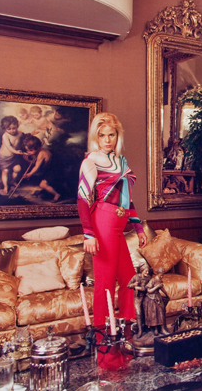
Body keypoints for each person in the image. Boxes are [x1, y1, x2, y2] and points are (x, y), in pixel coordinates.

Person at [77, 112, 147, 327]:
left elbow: (127, 200)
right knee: (105, 282)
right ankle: (101, 332)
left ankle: (127, 327)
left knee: (129, 279)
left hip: (119, 223)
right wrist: (88, 234)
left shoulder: (120, 161)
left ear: (118, 136)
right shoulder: (91, 161)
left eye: (111, 135)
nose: (107, 140)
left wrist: (138, 228)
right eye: (102, 135)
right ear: (95, 137)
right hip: (103, 223)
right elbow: (82, 199)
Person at [21, 134, 61, 202]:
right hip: (50, 169)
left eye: (30, 150)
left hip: (53, 170)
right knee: (41, 182)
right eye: (27, 150)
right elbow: (36, 163)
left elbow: (37, 167)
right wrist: (27, 160)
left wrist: (29, 174)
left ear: (37, 147)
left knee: (42, 185)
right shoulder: (41, 150)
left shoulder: (41, 154)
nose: (28, 152)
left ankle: (57, 195)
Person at [0, 115, 25, 195]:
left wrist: (31, 134)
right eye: (9, 129)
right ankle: (6, 186)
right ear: (4, 128)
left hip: (13, 157)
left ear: (17, 126)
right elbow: (9, 147)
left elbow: (25, 137)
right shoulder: (5, 136)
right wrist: (17, 152)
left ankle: (12, 181)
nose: (12, 131)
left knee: (17, 169)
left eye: (14, 128)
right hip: (4, 157)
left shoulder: (20, 133)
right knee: (5, 171)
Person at [143, 267, 170, 336]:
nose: (162, 277)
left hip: (157, 297)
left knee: (161, 312)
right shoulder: (153, 280)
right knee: (154, 314)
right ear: (157, 274)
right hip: (151, 298)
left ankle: (162, 329)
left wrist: (167, 294)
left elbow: (162, 288)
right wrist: (157, 287)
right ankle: (155, 329)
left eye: (162, 275)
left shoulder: (160, 280)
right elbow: (149, 290)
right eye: (160, 275)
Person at [127, 265, 151, 338]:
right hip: (138, 298)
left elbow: (148, 288)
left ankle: (146, 328)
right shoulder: (136, 277)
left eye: (148, 271)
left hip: (146, 298)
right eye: (145, 271)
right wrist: (133, 285)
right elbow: (128, 285)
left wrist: (139, 288)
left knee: (146, 313)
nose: (147, 272)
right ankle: (140, 331)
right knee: (138, 313)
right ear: (142, 270)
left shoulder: (148, 278)